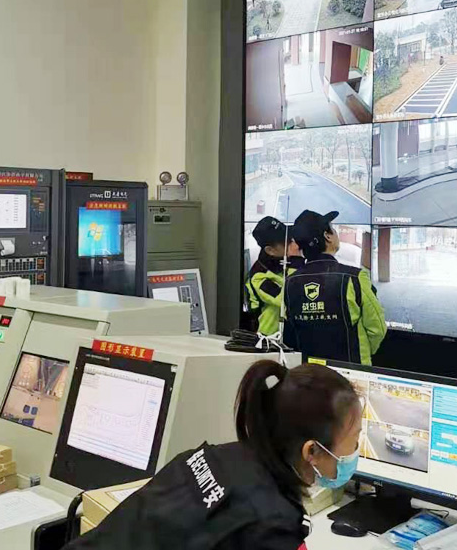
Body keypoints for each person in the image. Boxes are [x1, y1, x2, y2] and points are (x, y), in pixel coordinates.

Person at [65, 360, 362, 550]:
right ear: (312, 451)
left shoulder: (216, 457)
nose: (356, 450)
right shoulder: (270, 523)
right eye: (355, 438)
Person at [284, 210, 386, 365]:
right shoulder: (354, 277)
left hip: (309, 372)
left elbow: (291, 331)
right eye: (332, 228)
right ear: (328, 236)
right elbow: (377, 328)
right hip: (351, 371)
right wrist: (362, 352)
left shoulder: (290, 282)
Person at [244, 217, 305, 336]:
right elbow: (288, 299)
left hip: (289, 334)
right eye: (286, 242)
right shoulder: (259, 277)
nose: (293, 244)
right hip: (269, 339)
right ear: (270, 250)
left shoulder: (283, 262)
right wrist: (296, 261)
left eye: (290, 238)